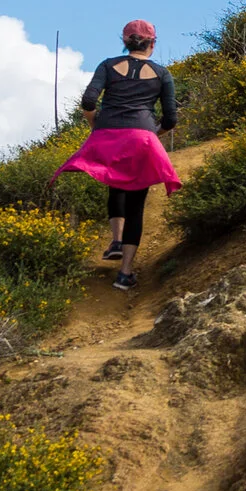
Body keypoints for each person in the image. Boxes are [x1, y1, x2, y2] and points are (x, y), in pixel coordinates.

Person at [53, 19, 182, 292]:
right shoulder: (162, 73)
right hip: (143, 137)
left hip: (108, 133)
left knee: (116, 183)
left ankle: (116, 241)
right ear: (153, 44)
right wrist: (151, 135)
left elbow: (88, 101)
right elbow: (171, 118)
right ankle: (125, 274)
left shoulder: (108, 66)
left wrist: (95, 126)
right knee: (137, 202)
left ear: (124, 42)